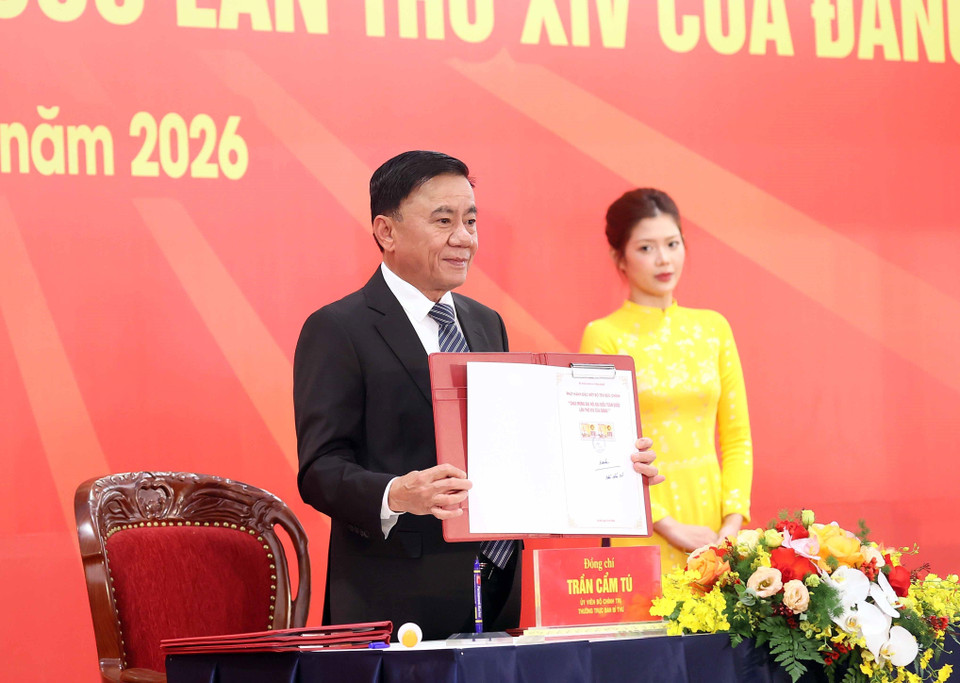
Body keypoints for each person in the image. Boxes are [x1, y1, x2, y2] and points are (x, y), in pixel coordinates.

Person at [294, 151, 663, 640]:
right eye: (443, 220)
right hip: (394, 598)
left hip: (497, 586)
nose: (464, 238)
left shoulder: (486, 323)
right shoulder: (338, 328)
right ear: (386, 231)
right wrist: (396, 494)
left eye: (470, 220)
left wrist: (610, 465)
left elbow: (510, 447)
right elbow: (320, 470)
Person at [579, 188, 753, 575]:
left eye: (672, 244)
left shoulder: (713, 329)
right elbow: (600, 449)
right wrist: (669, 527)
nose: (664, 259)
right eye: (646, 248)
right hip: (642, 526)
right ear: (619, 257)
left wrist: (731, 525)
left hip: (714, 530)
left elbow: (737, 438)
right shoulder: (605, 336)